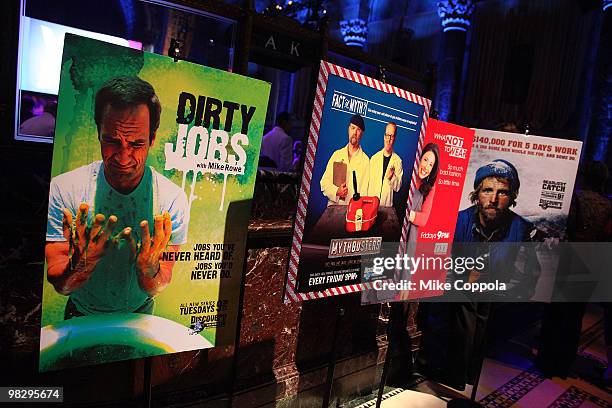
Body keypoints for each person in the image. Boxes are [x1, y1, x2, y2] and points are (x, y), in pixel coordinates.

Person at [45, 76, 189, 319]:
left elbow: (161, 281)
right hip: (80, 314)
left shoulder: (172, 200)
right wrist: (82, 264)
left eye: (136, 144)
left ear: (152, 139)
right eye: (112, 141)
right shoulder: (64, 189)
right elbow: (61, 285)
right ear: (98, 132)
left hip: (140, 316)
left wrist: (149, 269)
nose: (123, 158)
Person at [442, 159, 540, 390]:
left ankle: (468, 377)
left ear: (512, 196)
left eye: (502, 192)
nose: (493, 199)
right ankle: (454, 375)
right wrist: (464, 280)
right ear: (477, 193)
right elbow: (441, 266)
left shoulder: (522, 230)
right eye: (487, 190)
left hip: (494, 309)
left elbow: (525, 280)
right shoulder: (459, 221)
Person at [536, 161, 612, 381]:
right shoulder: (607, 205)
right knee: (574, 315)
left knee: (554, 313)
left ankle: (546, 362)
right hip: (593, 261)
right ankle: (562, 364)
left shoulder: (574, 198)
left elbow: (558, 227)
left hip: (567, 258)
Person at [320, 114, 370, 206]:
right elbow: (324, 183)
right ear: (348, 129)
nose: (355, 132)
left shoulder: (366, 161)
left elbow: (365, 193)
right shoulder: (337, 155)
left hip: (353, 212)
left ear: (362, 134)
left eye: (358, 130)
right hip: (333, 209)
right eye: (353, 128)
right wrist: (336, 191)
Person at [367, 122, 403, 207]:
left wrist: (392, 177)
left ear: (395, 138)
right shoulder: (374, 159)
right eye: (387, 135)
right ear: (384, 136)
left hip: (386, 206)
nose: (389, 139)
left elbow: (398, 188)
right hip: (371, 205)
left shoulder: (398, 161)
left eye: (392, 136)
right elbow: (367, 185)